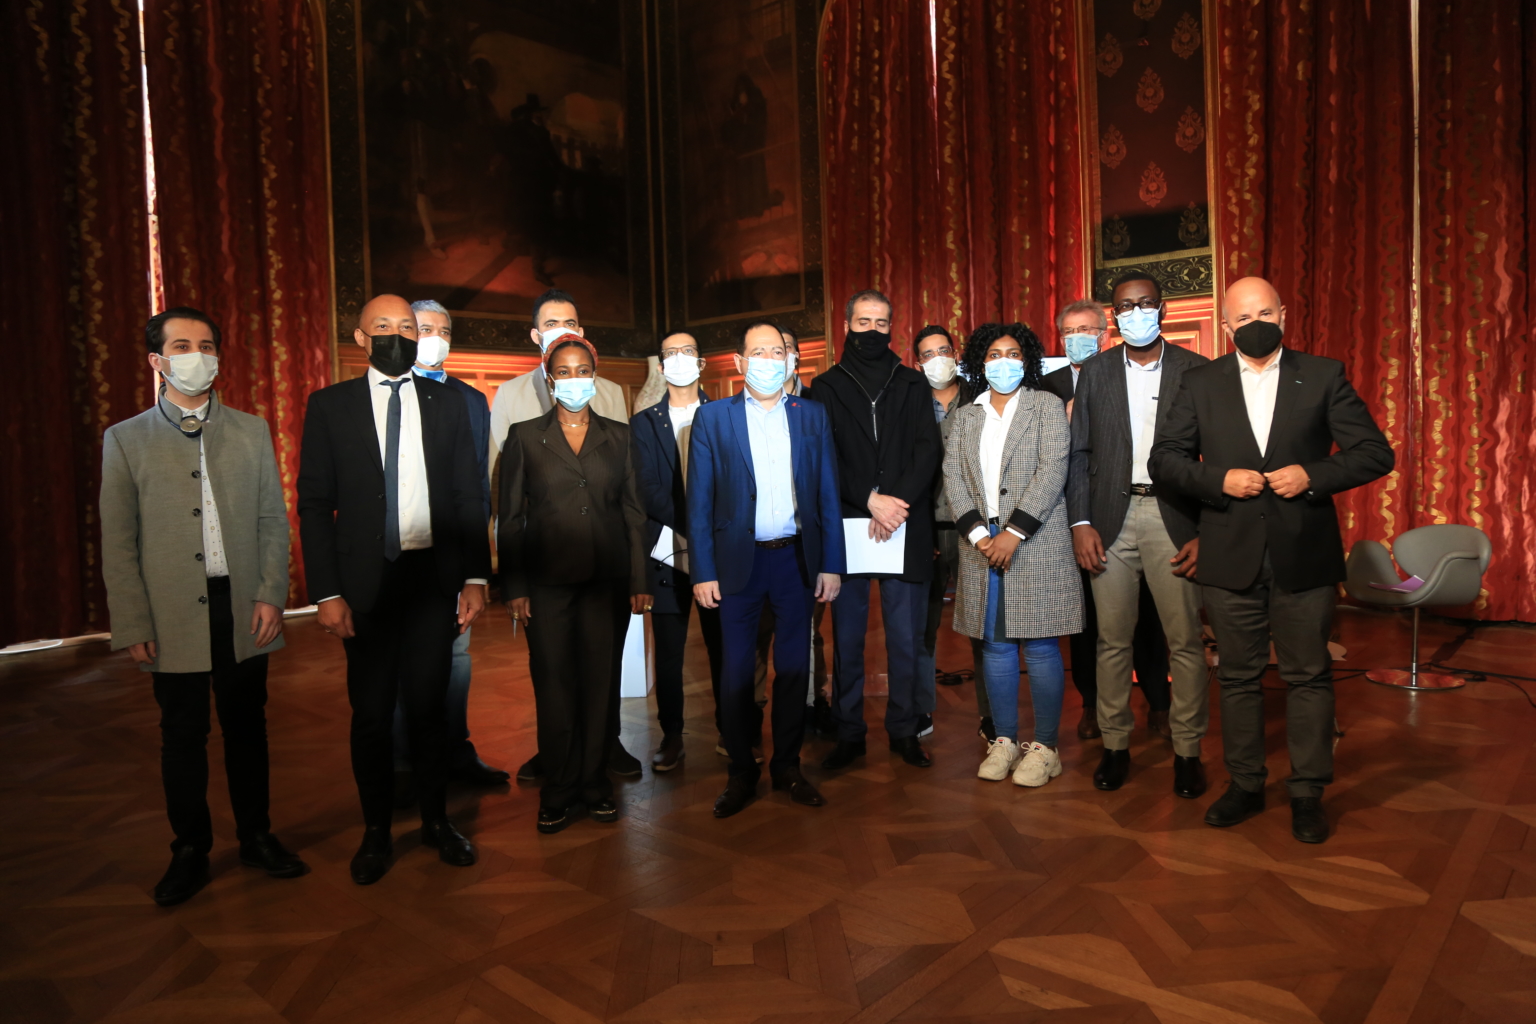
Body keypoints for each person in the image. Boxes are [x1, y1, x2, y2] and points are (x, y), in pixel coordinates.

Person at [1150, 276, 1393, 844]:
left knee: (1308, 675)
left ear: (1283, 314)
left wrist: (1313, 474)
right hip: (1228, 553)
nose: (1254, 324)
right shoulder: (1200, 382)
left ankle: (1307, 791)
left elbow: (1374, 453)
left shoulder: (1324, 375)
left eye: (1264, 313)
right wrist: (1218, 480)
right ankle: (1246, 784)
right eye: (1242, 317)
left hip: (1304, 552)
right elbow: (1165, 459)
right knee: (1237, 677)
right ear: (1226, 326)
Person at [101, 307, 304, 906]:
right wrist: (133, 621)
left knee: (248, 727)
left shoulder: (250, 429)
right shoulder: (125, 439)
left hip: (241, 605)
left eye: (208, 345)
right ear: (157, 361)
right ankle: (189, 848)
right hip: (170, 613)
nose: (199, 355)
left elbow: (272, 520)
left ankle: (256, 836)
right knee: (182, 734)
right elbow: (119, 541)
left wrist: (271, 592)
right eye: (183, 346)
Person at [298, 294, 489, 884]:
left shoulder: (449, 404)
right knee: (373, 715)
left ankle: (436, 821)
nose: (397, 335)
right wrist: (325, 592)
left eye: (407, 326)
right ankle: (376, 832)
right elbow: (314, 504)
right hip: (365, 585)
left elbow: (468, 494)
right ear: (360, 337)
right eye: (383, 326)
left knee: (431, 709)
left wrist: (476, 576)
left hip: (431, 579)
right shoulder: (330, 406)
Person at [689, 319, 845, 818]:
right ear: (739, 362)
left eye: (777, 352)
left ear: (790, 359)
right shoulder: (712, 419)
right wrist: (703, 571)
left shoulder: (811, 415)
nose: (769, 361)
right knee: (736, 672)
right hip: (738, 564)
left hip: (796, 561)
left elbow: (827, 495)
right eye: (758, 352)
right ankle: (741, 771)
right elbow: (699, 504)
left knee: (794, 669)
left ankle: (788, 767)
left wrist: (832, 564)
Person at [500, 334, 651, 832]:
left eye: (582, 370)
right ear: (550, 379)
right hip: (546, 585)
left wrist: (639, 578)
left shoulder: (620, 437)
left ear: (595, 375)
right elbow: (511, 519)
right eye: (563, 372)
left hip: (607, 583)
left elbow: (634, 513)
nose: (573, 380)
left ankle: (594, 783)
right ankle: (559, 789)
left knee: (600, 684)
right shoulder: (525, 437)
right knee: (554, 685)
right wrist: (515, 587)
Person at [1067, 273, 1210, 799]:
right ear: (1114, 316)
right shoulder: (1096, 372)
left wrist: (1206, 531)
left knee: (1185, 641)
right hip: (1109, 520)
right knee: (1112, 641)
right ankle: (1115, 746)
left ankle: (1188, 752)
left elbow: (1214, 457)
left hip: (1175, 518)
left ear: (1163, 309)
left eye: (1145, 303)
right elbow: (1079, 454)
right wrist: (1080, 523)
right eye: (1125, 306)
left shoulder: (1197, 370)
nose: (1136, 313)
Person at [944, 323, 1082, 787]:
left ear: (1027, 361)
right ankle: (1003, 740)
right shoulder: (967, 415)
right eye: (994, 354)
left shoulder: (1045, 406)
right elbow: (953, 478)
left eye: (1014, 354)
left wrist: (1013, 533)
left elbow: (1052, 471)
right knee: (996, 646)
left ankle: (1045, 748)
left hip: (1035, 540)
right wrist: (980, 535)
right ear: (980, 363)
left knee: (1040, 646)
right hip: (980, 544)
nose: (1004, 362)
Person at [810, 291, 942, 771]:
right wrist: (869, 499)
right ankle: (849, 733)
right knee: (847, 640)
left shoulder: (912, 382)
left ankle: (904, 730)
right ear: (846, 325)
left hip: (904, 523)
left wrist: (894, 505)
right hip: (848, 524)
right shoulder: (824, 387)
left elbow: (928, 450)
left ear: (892, 327)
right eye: (863, 321)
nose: (872, 330)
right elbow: (821, 458)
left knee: (905, 639)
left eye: (881, 322)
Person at [387, 300, 508, 797]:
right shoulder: (385, 390)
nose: (435, 338)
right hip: (398, 553)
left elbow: (476, 483)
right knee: (401, 661)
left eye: (444, 330)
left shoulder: (471, 399)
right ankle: (402, 763)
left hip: (453, 552)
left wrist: (477, 568)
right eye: (424, 329)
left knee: (457, 658)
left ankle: (456, 751)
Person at [1042, 300, 1174, 741]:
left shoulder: (1124, 372)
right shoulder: (1046, 387)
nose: (1076, 338)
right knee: (1086, 620)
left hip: (1135, 508)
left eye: (1086, 329)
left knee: (1148, 615)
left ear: (1104, 333)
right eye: (1068, 331)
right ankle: (1092, 705)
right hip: (1073, 515)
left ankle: (1158, 699)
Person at [631, 331, 722, 771]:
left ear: (701, 363)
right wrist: (694, 522)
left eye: (688, 351)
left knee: (723, 648)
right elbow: (646, 489)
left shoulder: (723, 414)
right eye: (671, 353)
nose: (680, 359)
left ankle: (730, 729)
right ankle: (671, 736)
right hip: (666, 552)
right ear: (661, 365)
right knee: (668, 653)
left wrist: (705, 528)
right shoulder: (643, 423)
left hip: (717, 554)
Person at [913, 325, 989, 740]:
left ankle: (991, 715)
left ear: (956, 354)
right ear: (917, 363)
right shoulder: (909, 403)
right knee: (923, 628)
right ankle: (921, 710)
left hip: (975, 526)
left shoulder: (981, 398)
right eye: (928, 354)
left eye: (944, 350)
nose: (938, 359)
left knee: (982, 625)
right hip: (925, 528)